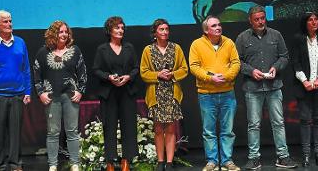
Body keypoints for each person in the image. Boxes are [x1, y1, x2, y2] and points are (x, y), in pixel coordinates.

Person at [234, 6, 296, 170]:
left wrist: (276, 67)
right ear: (250, 20)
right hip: (252, 88)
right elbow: (236, 62)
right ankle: (254, 158)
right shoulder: (242, 38)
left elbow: (284, 56)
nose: (261, 21)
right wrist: (250, 71)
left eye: (263, 18)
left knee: (278, 122)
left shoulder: (276, 35)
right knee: (254, 124)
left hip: (274, 86)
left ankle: (283, 157)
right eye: (257, 19)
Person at [0, 10, 32, 171]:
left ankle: (16, 164)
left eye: (10, 21)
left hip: (17, 95)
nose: (9, 24)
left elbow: (26, 69)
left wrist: (28, 91)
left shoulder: (20, 43)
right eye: (5, 22)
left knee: (16, 133)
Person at [32, 21, 87, 171]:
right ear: (53, 34)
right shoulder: (43, 52)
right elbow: (36, 75)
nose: (64, 35)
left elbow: (82, 73)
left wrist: (80, 91)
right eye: (60, 32)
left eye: (66, 32)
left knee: (72, 131)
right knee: (53, 132)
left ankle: (75, 163)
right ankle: (53, 165)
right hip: (51, 97)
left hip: (70, 96)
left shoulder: (75, 51)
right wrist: (40, 93)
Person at [189, 16, 241, 171]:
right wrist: (210, 78)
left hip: (227, 93)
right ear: (206, 30)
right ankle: (212, 161)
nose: (218, 27)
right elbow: (194, 66)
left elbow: (236, 63)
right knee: (209, 130)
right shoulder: (197, 45)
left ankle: (227, 160)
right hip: (207, 94)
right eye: (214, 25)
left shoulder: (229, 42)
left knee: (228, 130)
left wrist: (228, 76)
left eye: (219, 24)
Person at [140, 19, 189, 171]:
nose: (165, 32)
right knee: (159, 129)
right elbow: (144, 72)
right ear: (155, 33)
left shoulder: (176, 48)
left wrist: (172, 74)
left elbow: (184, 69)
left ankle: (169, 162)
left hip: (171, 94)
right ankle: (160, 161)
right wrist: (158, 75)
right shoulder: (148, 50)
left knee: (171, 129)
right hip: (156, 94)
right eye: (161, 29)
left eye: (167, 29)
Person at [92, 16, 139, 171]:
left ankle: (126, 160)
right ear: (109, 30)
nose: (120, 30)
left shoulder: (129, 48)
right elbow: (96, 70)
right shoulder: (102, 49)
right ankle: (110, 162)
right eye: (117, 28)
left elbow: (136, 68)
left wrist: (128, 77)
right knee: (109, 127)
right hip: (109, 93)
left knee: (128, 127)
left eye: (122, 28)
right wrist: (109, 77)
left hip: (127, 92)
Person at [291, 11, 318, 167]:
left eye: (316, 19)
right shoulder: (299, 40)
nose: (314, 22)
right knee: (305, 121)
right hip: (304, 87)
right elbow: (295, 63)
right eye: (310, 20)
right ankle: (306, 155)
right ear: (305, 23)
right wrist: (305, 81)